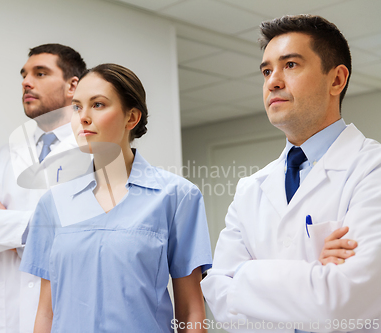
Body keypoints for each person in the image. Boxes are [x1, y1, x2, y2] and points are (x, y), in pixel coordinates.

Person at [201, 14, 381, 332]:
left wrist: (244, 275)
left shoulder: (371, 169)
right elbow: (218, 295)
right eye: (267, 70)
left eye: (291, 65)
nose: (273, 81)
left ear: (336, 80)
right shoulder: (250, 189)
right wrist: (313, 271)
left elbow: (344, 301)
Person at [19, 64, 213, 333]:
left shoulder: (177, 197)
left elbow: (191, 310)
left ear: (131, 117)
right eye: (76, 107)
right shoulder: (53, 204)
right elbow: (46, 313)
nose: (83, 117)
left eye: (98, 105)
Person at [0, 44, 86, 333]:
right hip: (7, 319)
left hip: (69, 316)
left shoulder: (95, 152)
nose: (26, 81)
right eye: (24, 74)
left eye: (40, 73)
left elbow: (85, 239)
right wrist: (40, 226)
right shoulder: (1, 156)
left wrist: (4, 223)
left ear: (72, 85)